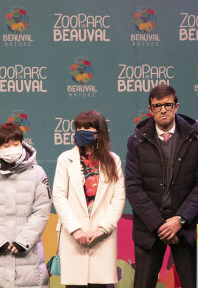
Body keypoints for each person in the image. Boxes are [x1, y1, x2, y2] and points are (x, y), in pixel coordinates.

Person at [125, 84, 198, 288]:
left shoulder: (196, 138)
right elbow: (133, 187)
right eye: (157, 106)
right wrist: (159, 225)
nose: (163, 110)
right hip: (149, 230)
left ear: (176, 106)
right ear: (150, 109)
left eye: (167, 104)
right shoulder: (136, 141)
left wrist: (179, 219)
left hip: (185, 227)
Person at [0, 123, 51, 288]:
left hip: (28, 257)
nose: (12, 148)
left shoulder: (38, 173)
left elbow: (42, 211)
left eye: (16, 144)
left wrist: (23, 242)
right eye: (7, 145)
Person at [53, 110, 125, 287]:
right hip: (73, 237)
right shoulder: (65, 159)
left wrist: (102, 230)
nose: (82, 131)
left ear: (99, 131)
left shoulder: (113, 160)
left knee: (99, 284)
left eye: (88, 127)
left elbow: (118, 198)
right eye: (79, 127)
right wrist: (75, 229)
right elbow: (59, 196)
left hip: (102, 238)